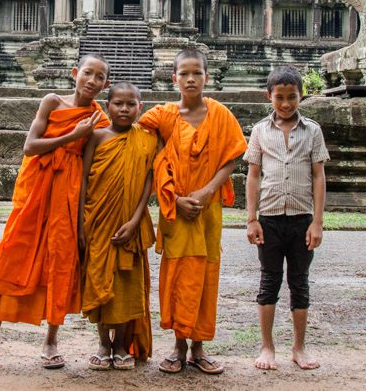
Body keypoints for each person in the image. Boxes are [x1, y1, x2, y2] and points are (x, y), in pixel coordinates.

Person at [0, 54, 110, 372]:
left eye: (100, 77)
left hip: (68, 194)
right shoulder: (52, 101)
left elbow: (92, 167)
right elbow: (30, 146)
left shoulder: (98, 118)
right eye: (88, 73)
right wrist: (70, 136)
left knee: (60, 263)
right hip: (36, 193)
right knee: (10, 257)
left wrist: (81, 220)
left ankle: (51, 341)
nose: (92, 81)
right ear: (74, 73)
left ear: (106, 84)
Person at [138, 48, 247, 375]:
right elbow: (143, 131)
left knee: (205, 277)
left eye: (196, 73)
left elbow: (233, 155)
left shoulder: (221, 114)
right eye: (183, 74)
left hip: (207, 211)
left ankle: (198, 347)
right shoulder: (165, 115)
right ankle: (178, 345)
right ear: (174, 79)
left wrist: (207, 190)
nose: (190, 79)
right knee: (177, 277)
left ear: (206, 77)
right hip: (176, 211)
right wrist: (171, 189)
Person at [245, 65, 328, 371]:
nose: (286, 103)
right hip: (268, 218)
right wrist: (251, 219)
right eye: (279, 97)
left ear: (301, 96)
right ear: (269, 97)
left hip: (301, 219)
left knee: (300, 283)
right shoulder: (259, 131)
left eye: (292, 97)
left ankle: (299, 347)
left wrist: (317, 222)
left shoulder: (313, 130)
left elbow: (319, 176)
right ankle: (267, 347)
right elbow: (253, 177)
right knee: (269, 282)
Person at [79, 81, 157, 371]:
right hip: (97, 220)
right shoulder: (96, 137)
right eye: (118, 104)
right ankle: (103, 343)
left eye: (131, 104)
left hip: (130, 223)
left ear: (141, 107)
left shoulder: (147, 139)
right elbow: (84, 181)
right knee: (99, 278)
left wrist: (136, 220)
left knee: (127, 283)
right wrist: (80, 225)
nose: (124, 109)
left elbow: (149, 180)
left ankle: (122, 344)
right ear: (107, 105)